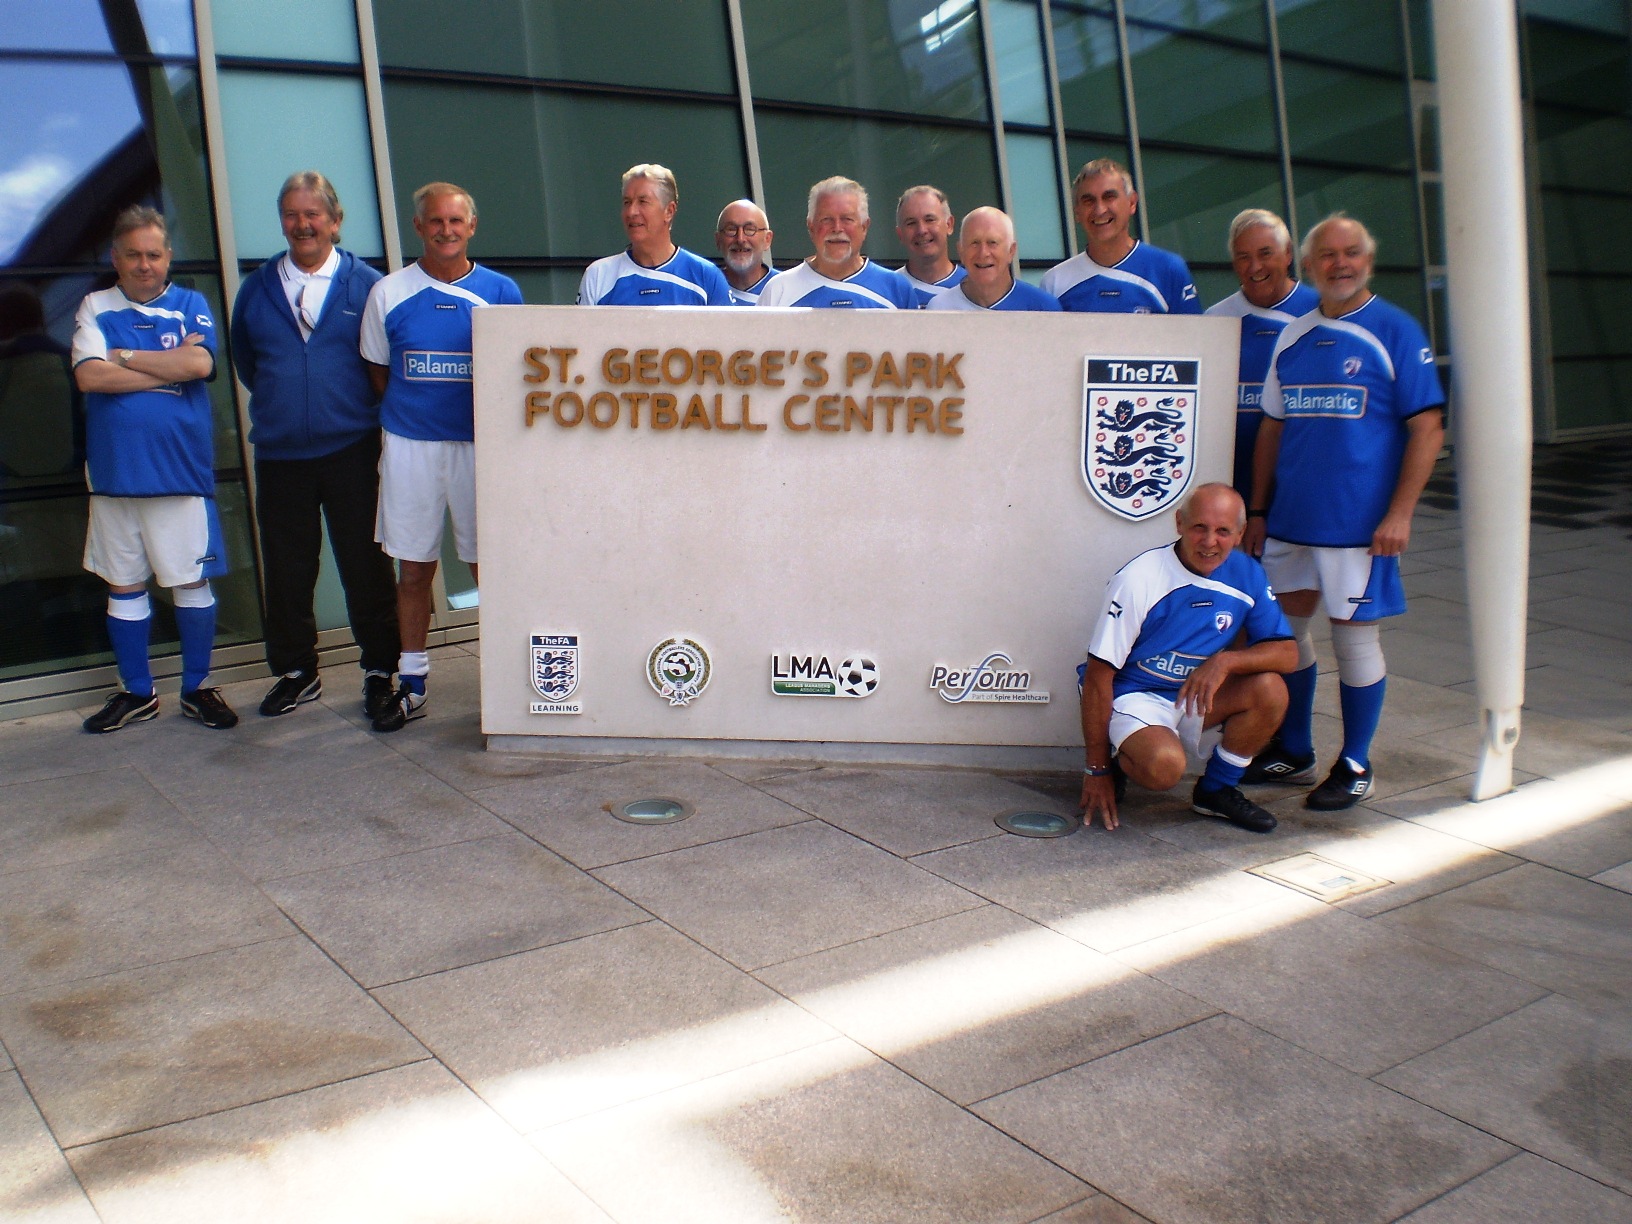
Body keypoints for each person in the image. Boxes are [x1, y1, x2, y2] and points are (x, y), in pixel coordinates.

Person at [1243, 213, 1446, 809]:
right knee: (1285, 634)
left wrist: (1400, 513)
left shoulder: (1396, 330)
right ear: (1309, 266)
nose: (1339, 264)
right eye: (1327, 255)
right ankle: (1296, 751)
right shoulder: (1293, 334)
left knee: (1354, 641)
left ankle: (1356, 762)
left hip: (1357, 527)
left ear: (1368, 260)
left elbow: (1428, 428)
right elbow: (1273, 428)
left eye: (1351, 252)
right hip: (1291, 521)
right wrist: (1258, 511)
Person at [230, 171, 399, 720]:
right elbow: (248, 362)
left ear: (335, 219)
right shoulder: (256, 290)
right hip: (281, 457)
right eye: (291, 214)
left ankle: (380, 669)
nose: (302, 225)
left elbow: (382, 362)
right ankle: (297, 671)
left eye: (312, 215)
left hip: (352, 450)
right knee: (287, 571)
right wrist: (292, 406)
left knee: (365, 566)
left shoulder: (367, 285)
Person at [361, 182, 522, 732]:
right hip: (411, 446)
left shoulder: (502, 291)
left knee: (489, 568)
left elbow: (517, 374)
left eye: (456, 221)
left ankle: (503, 680)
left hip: (482, 448)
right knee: (414, 568)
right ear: (418, 227)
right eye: (435, 221)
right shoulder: (389, 292)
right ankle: (412, 680)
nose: (446, 230)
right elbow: (379, 371)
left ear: (471, 226)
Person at [71, 206, 237, 732]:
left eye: (154, 254)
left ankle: (197, 687)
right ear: (115, 259)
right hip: (115, 477)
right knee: (123, 585)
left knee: (191, 583)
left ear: (167, 257)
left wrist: (122, 357)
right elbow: (90, 379)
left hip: (179, 474)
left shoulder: (190, 303)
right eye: (134, 255)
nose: (145, 265)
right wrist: (156, 368)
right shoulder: (95, 305)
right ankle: (137, 693)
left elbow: (199, 365)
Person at [1080, 482, 1296, 833]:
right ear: (1179, 523)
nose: (1210, 541)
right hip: (1136, 694)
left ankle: (1217, 790)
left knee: (1271, 689)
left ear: (1240, 534)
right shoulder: (1140, 578)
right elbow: (1097, 675)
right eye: (1200, 528)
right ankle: (1125, 761)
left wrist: (1226, 662)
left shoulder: (1247, 574)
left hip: (1194, 692)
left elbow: (1287, 654)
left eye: (1223, 531)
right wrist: (1097, 768)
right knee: (1165, 769)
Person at [1205, 208, 1319, 498]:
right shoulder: (1214, 320)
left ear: (1288, 254)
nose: (1255, 266)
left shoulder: (1322, 312)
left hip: (1304, 490)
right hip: (1234, 495)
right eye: (1244, 257)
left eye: (1265, 253)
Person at [1041, 159, 1201, 315]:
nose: (1100, 210)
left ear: (1132, 203)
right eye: (1088, 201)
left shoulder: (1168, 269)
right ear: (1077, 212)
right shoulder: (1055, 282)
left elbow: (1193, 339)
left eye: (1109, 197)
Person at [577, 164, 733, 306]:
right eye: (627, 202)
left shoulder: (706, 276)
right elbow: (579, 335)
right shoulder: (598, 275)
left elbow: (731, 335)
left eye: (643, 202)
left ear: (669, 211)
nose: (632, 212)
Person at [757, 177, 917, 310]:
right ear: (811, 227)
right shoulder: (778, 290)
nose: (837, 228)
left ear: (864, 227)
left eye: (847, 219)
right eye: (826, 219)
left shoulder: (897, 289)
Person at [927, 208, 1061, 312]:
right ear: (961, 251)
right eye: (974, 243)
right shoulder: (940, 308)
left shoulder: (1043, 308)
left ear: (1011, 251)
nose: (983, 253)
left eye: (992, 242)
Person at [894, 185, 965, 307]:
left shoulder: (973, 287)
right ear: (900, 234)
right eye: (911, 223)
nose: (921, 230)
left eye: (930, 220)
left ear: (949, 225)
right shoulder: (889, 288)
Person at [715, 199, 777, 305]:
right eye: (731, 229)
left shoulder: (785, 288)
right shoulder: (706, 287)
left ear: (767, 239)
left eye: (750, 229)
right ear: (718, 240)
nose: (740, 239)